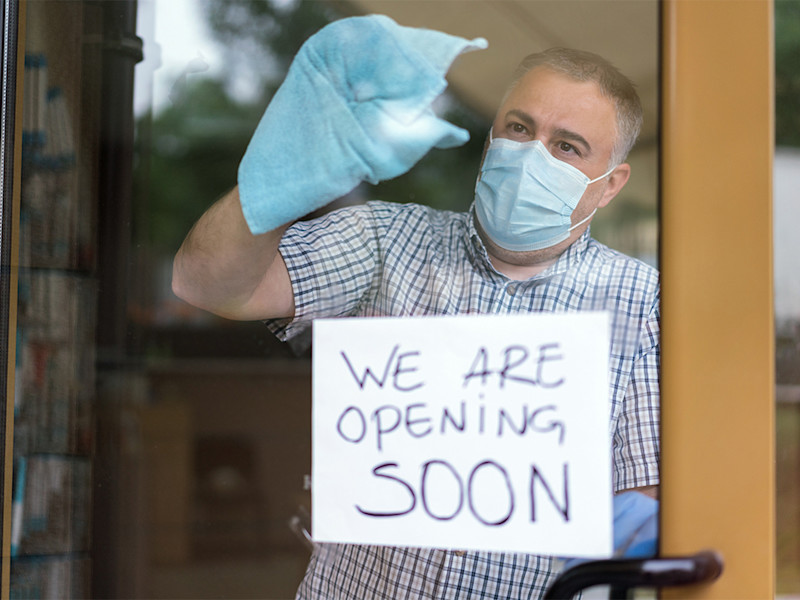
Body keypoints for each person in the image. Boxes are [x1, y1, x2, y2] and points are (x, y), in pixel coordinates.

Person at [172, 15, 659, 599]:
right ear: (491, 138)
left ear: (610, 184)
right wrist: (272, 186)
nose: (533, 155)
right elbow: (208, 285)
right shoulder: (383, 240)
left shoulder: (642, 303)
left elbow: (644, 490)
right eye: (519, 128)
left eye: (566, 146)